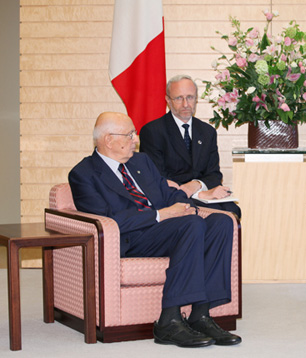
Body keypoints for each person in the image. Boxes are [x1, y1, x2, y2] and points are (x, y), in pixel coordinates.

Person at [69, 112, 242, 348]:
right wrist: (161, 214)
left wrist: (190, 204)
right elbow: (109, 220)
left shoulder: (141, 162)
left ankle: (200, 315)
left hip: (165, 230)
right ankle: (168, 321)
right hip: (130, 238)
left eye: (134, 134)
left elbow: (168, 193)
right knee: (190, 225)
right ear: (108, 140)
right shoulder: (84, 174)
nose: (135, 139)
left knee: (220, 222)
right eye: (129, 135)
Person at [140, 74, 241, 218]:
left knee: (233, 211)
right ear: (168, 100)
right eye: (179, 98)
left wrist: (197, 184)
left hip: (202, 195)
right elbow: (157, 178)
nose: (186, 104)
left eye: (190, 97)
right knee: (219, 217)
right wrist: (199, 192)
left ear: (196, 99)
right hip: (172, 199)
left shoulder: (207, 132)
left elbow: (214, 175)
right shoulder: (153, 131)